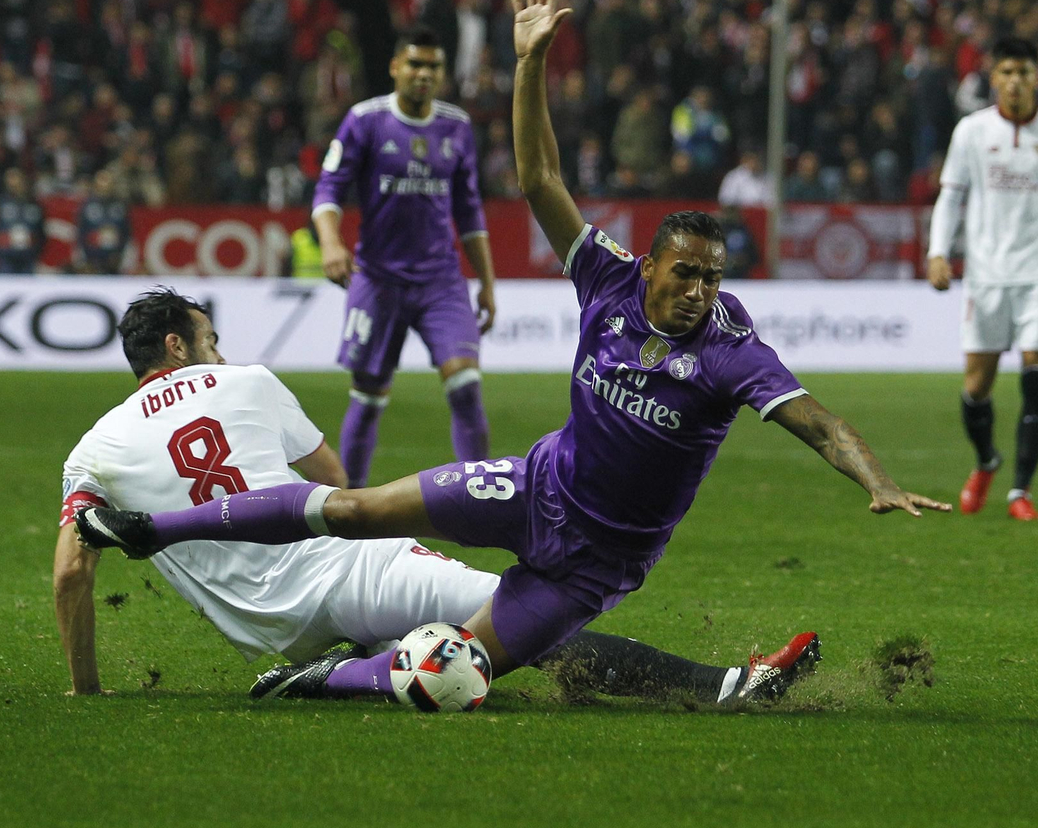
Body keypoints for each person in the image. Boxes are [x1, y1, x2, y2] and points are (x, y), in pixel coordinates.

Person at [76, 0, 947, 702]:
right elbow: (537, 174)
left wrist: (879, 480)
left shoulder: (728, 350)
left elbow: (822, 423)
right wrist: (528, 61)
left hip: (595, 560)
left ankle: (314, 680)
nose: (701, 291)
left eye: (715, 277)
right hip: (532, 485)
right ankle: (157, 529)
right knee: (355, 508)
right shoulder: (606, 273)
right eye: (687, 273)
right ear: (650, 265)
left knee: (460, 674)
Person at [56, 288, 818, 705]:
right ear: (181, 346)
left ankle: (349, 661)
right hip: (345, 572)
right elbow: (334, 484)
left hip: (263, 629)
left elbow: (70, 575)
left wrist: (87, 690)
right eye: (209, 337)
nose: (219, 350)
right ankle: (725, 686)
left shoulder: (93, 450)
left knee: (426, 637)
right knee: (527, 626)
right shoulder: (246, 381)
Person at [312, 28, 498, 487]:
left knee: (466, 386)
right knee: (369, 395)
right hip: (377, 280)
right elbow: (329, 188)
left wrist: (488, 282)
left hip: (441, 281)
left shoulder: (456, 126)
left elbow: (469, 208)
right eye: (415, 64)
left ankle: (480, 502)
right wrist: (332, 244)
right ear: (395, 67)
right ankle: (349, 506)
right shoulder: (365, 120)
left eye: (433, 66)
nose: (423, 74)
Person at [925, 37, 1038, 522]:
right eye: (1006, 72)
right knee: (977, 384)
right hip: (987, 274)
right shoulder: (971, 132)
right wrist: (938, 252)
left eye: (1023, 71)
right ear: (993, 78)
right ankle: (986, 461)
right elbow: (951, 197)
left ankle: (1020, 490)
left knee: (1036, 370)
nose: (1015, 80)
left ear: (1037, 76)